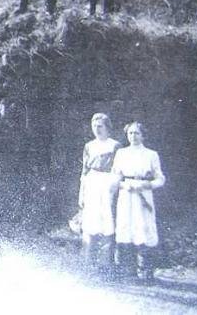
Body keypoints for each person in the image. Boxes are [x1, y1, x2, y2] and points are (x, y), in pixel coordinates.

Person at [112, 121, 166, 281]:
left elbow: (160, 178)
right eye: (130, 133)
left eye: (136, 133)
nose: (133, 136)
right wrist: (124, 185)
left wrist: (147, 184)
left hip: (143, 195)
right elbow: (115, 177)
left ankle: (146, 271)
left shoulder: (151, 154)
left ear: (143, 135)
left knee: (144, 228)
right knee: (126, 227)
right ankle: (127, 271)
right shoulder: (121, 153)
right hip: (126, 195)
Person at [79, 113, 122, 277]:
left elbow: (118, 170)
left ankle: (105, 266)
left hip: (107, 184)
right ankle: (87, 264)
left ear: (107, 127)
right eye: (94, 126)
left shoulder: (114, 146)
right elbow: (84, 171)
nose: (97, 129)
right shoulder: (89, 146)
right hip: (91, 184)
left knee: (107, 224)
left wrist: (112, 188)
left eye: (100, 126)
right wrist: (81, 193)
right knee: (90, 224)